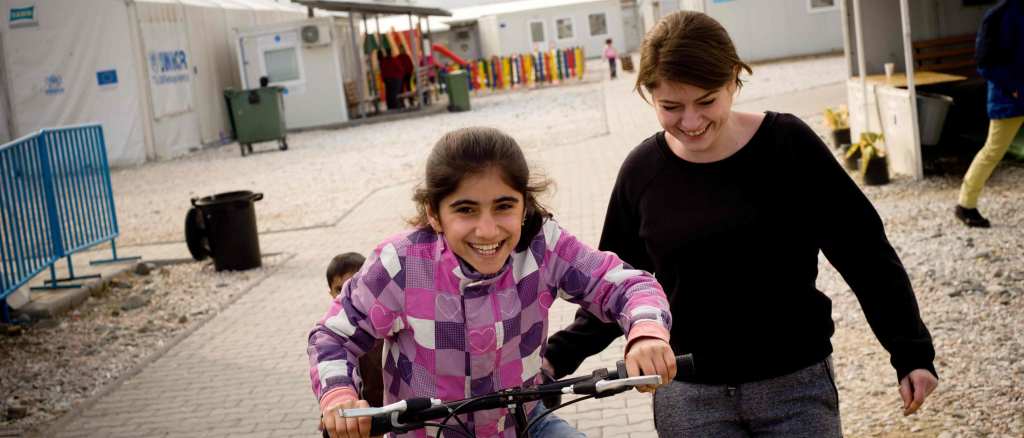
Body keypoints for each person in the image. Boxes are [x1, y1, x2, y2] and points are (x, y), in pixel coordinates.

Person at [543, 11, 938, 437]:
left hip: (795, 387)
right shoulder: (642, 172)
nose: (690, 123)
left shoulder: (788, 146)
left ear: (734, 78)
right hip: (688, 395)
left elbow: (865, 254)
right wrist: (552, 361)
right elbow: (615, 288)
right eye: (671, 107)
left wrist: (910, 350)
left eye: (706, 100)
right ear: (649, 96)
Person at [308, 127, 677, 438]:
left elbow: (625, 283)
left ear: (524, 204)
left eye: (504, 206)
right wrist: (338, 395)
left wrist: (645, 331)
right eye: (465, 209)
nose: (488, 229)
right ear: (434, 214)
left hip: (524, 423)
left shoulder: (542, 245)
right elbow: (334, 336)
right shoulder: (399, 265)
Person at [955, 0, 1023, 228]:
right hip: (1008, 98)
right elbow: (985, 62)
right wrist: (1013, 88)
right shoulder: (998, 15)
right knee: (993, 151)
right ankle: (965, 204)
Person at [325, 252, 385, 408]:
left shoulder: (384, 325)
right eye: (339, 289)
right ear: (331, 293)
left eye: (352, 285)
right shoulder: (334, 331)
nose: (346, 295)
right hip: (357, 413)